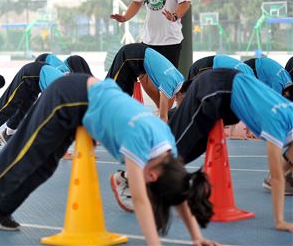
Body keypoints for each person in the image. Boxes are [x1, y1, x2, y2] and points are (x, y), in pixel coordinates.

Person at [0, 74, 215, 245]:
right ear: (152, 176)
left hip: (83, 105)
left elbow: (179, 188)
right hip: (69, 96)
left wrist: (197, 238)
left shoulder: (168, 153)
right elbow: (142, 200)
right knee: (22, 157)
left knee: (46, 165)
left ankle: (1, 205)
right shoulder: (140, 141)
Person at [113, 69, 293, 233]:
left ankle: (146, 180)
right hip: (214, 89)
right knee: (174, 148)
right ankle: (127, 176)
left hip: (226, 98)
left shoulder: (289, 113)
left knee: (184, 154)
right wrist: (280, 221)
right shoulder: (278, 122)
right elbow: (276, 177)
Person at [0, 61, 64, 145]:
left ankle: (9, 132)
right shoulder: (64, 95)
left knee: (26, 106)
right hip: (31, 72)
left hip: (40, 79)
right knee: (10, 103)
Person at [106, 42, 184, 121]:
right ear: (182, 94)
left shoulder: (180, 78)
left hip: (138, 58)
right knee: (112, 91)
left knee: (123, 97)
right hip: (130, 55)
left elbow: (166, 110)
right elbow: (163, 117)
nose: (182, 104)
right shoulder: (168, 85)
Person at [186, 54, 253, 80]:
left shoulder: (248, 72)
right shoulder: (246, 76)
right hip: (207, 66)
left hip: (209, 64)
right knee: (191, 94)